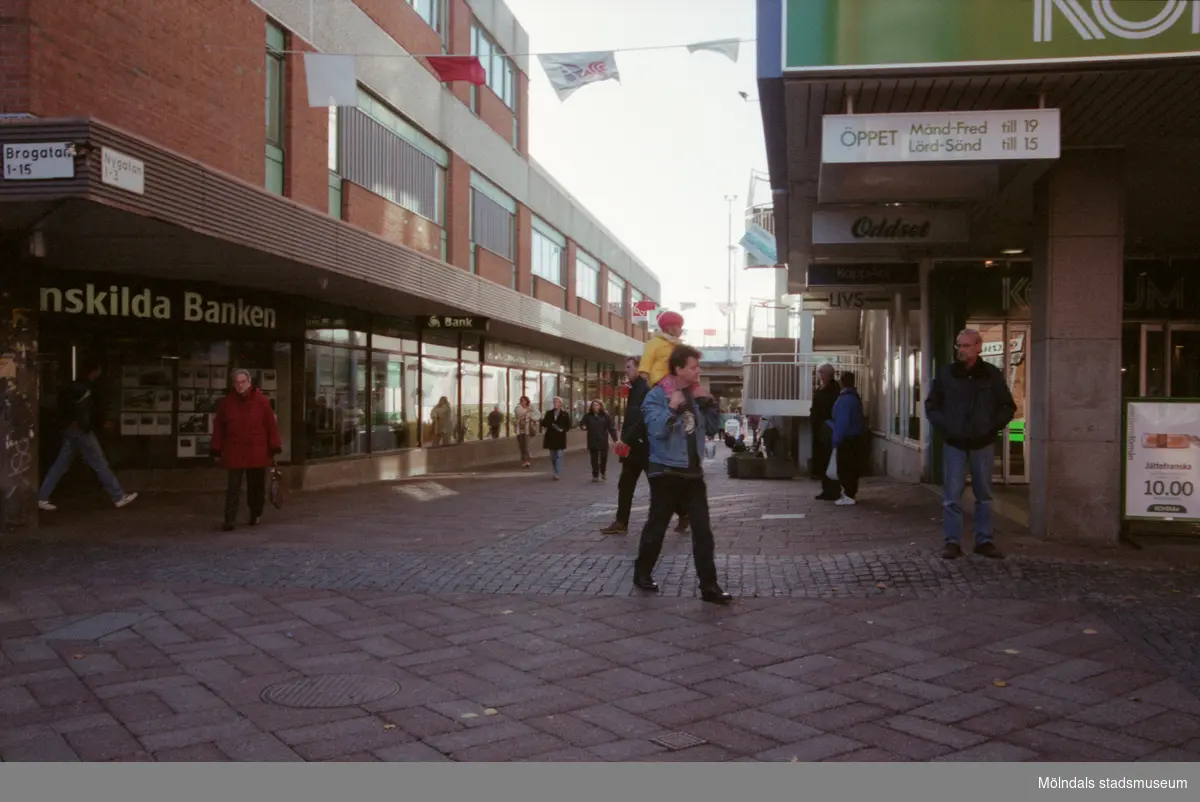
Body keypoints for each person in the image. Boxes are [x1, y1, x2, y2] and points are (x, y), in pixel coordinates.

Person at [633, 345, 732, 605]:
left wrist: (709, 402)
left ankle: (709, 587)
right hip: (665, 471)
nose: (698, 371)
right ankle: (642, 572)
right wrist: (672, 409)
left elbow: (712, 428)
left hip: (692, 474)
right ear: (679, 369)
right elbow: (656, 431)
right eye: (694, 367)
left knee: (703, 531)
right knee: (657, 525)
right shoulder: (657, 395)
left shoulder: (694, 394)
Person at [925, 328, 1016, 560]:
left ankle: (984, 540)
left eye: (966, 346)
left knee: (983, 495)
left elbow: (1007, 405)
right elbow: (932, 405)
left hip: (982, 443)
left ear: (978, 347)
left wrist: (990, 427)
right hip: (954, 442)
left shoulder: (991, 374)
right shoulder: (947, 374)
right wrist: (946, 426)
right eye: (959, 346)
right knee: (951, 496)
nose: (961, 350)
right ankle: (952, 542)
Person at [602, 356, 690, 535]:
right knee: (626, 485)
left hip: (647, 448)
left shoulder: (646, 390)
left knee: (659, 487)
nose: (626, 371)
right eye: (625, 367)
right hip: (634, 448)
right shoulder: (634, 389)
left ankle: (683, 512)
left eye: (629, 367)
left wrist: (625, 438)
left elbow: (643, 420)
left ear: (639, 369)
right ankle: (621, 522)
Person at [37, 360, 138, 511]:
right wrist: (92, 426)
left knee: (60, 465)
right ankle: (118, 496)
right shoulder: (85, 389)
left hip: (70, 429)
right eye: (99, 370)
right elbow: (85, 413)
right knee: (99, 462)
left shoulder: (72, 387)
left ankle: (42, 497)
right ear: (94, 371)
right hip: (80, 430)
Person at [211, 368, 282, 531]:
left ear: (249, 382)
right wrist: (216, 448)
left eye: (243, 382)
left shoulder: (262, 401)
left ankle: (255, 513)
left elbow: (271, 425)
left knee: (255, 486)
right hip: (234, 450)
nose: (240, 385)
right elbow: (219, 427)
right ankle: (229, 519)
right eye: (237, 382)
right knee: (233, 487)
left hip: (256, 451)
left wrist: (274, 447)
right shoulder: (227, 403)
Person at [638, 311, 702, 399]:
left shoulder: (676, 344)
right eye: (679, 327)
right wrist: (644, 372)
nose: (681, 330)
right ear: (670, 327)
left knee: (691, 385)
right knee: (673, 395)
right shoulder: (654, 343)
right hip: (661, 378)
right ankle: (675, 405)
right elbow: (647, 359)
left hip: (675, 377)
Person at [827, 371, 865, 506]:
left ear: (841, 382)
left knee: (845, 468)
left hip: (846, 439)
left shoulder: (845, 400)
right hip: (855, 438)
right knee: (852, 468)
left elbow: (842, 423)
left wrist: (835, 440)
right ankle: (850, 493)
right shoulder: (854, 398)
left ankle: (848, 494)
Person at [812, 363, 841, 500]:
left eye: (822, 373)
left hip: (828, 428)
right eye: (819, 373)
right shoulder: (821, 388)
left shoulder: (834, 389)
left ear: (829, 374)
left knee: (830, 459)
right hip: (820, 428)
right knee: (822, 460)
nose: (820, 375)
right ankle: (825, 489)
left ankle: (833, 490)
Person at [579, 399, 617, 482]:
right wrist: (583, 427)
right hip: (592, 439)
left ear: (600, 406)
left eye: (596, 405)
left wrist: (615, 439)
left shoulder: (606, 416)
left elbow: (611, 428)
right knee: (594, 459)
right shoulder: (588, 416)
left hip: (603, 439)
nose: (594, 407)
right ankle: (595, 475)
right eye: (593, 405)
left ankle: (603, 471)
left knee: (603, 458)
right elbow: (582, 423)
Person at [540, 396, 571, 481]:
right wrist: (548, 423)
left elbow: (568, 426)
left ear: (561, 404)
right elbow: (544, 423)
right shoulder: (549, 413)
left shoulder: (565, 414)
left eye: (557, 402)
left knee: (559, 455)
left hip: (560, 437)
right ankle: (556, 470)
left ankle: (557, 473)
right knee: (553, 456)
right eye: (554, 402)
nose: (555, 403)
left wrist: (562, 429)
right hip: (551, 437)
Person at [513, 396, 537, 468]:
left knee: (526, 446)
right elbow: (519, 414)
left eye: (524, 400)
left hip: (527, 429)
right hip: (519, 430)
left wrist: (531, 417)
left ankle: (527, 460)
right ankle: (524, 460)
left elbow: (537, 415)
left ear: (527, 401)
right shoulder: (518, 407)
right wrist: (527, 411)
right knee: (521, 446)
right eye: (521, 400)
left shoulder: (531, 407)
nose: (523, 402)